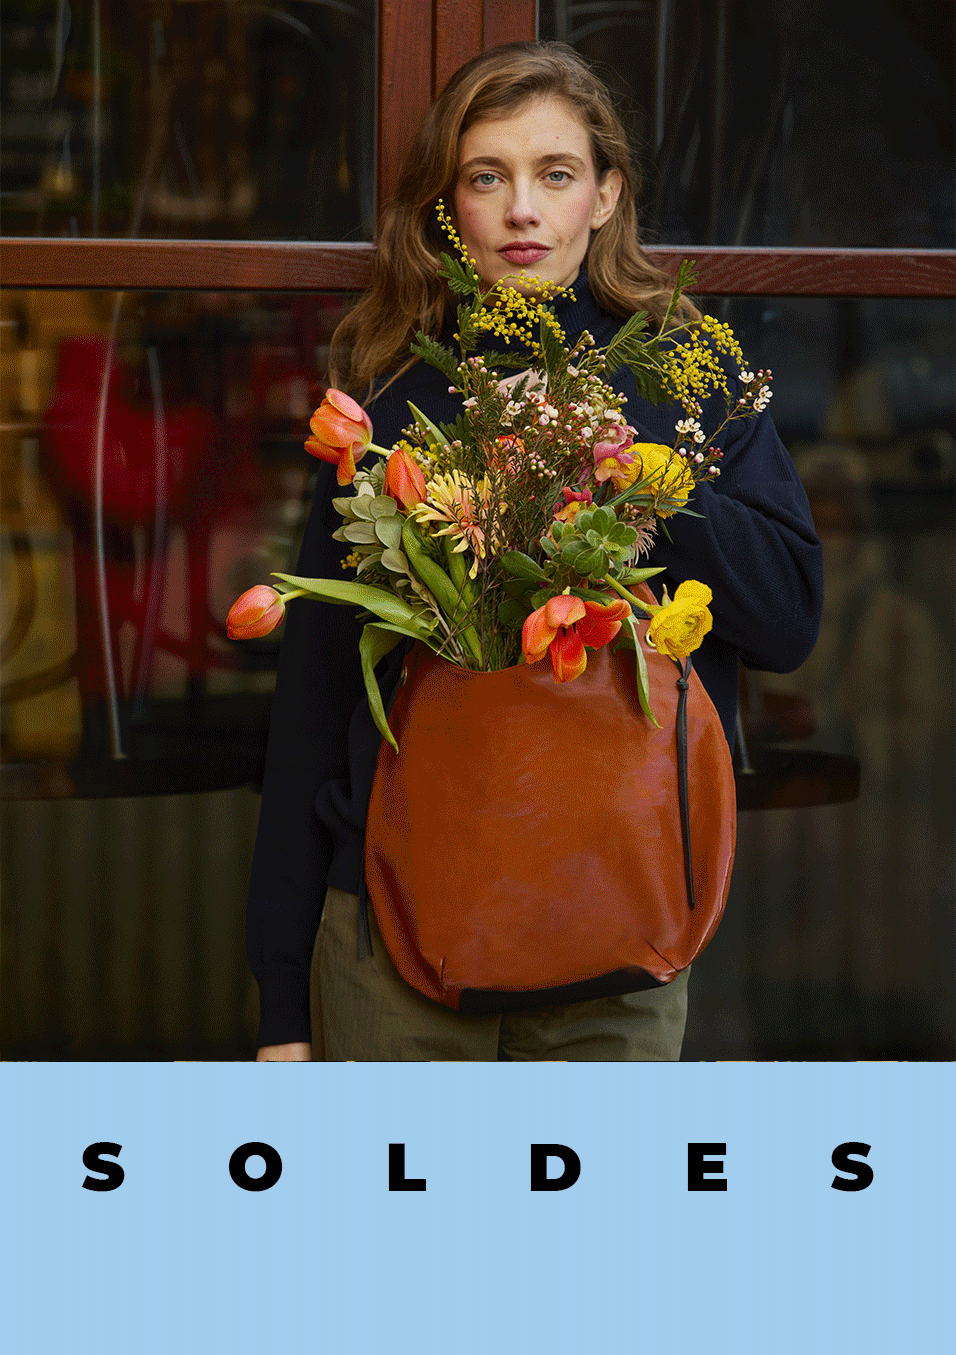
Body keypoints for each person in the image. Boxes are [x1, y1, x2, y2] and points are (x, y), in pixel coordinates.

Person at [247, 41, 823, 1062]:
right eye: (486, 178)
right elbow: (316, 700)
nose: (521, 210)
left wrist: (622, 462)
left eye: (555, 174)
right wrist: (284, 1005)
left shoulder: (686, 374)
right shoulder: (393, 395)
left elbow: (784, 620)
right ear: (448, 208)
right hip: (393, 935)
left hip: (617, 930)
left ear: (605, 196)